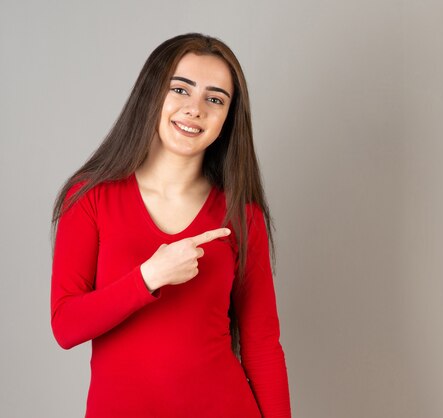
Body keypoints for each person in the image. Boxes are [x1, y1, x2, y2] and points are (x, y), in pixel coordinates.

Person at [49, 33, 291, 418]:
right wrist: (148, 277)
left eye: (214, 99)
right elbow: (66, 326)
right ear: (152, 95)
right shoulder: (90, 197)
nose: (195, 109)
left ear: (227, 118)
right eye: (180, 89)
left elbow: (262, 344)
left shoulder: (241, 217)